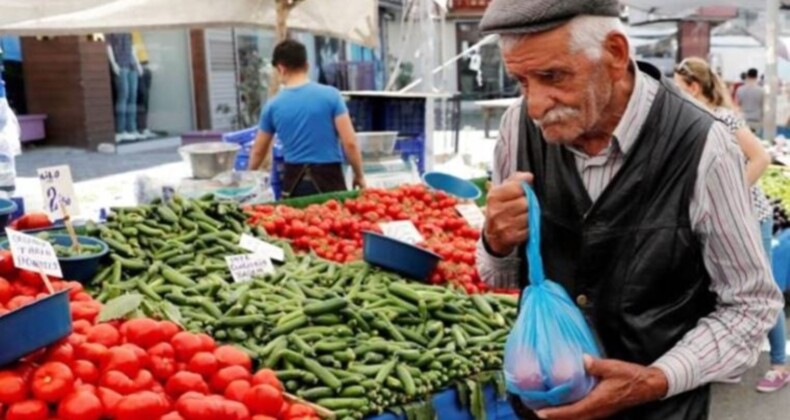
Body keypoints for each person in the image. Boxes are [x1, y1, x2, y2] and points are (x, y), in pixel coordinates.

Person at [476, 0, 784, 419]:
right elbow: (502, 275)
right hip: (546, 406)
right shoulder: (517, 129)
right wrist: (495, 241)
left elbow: (750, 304)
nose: (535, 105)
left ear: (616, 55)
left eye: (552, 76)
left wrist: (656, 379)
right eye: (521, 81)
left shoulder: (702, 146)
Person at [673, 57, 787, 393]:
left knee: (761, 287)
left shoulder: (722, 118)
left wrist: (730, 198)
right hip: (718, 221)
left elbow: (761, 158)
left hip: (752, 217)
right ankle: (731, 358)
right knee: (724, 287)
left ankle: (780, 363)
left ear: (694, 87)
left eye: (680, 89)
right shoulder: (692, 121)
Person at [248, 39, 365, 197]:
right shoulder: (331, 96)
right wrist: (359, 175)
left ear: (281, 69)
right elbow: (350, 143)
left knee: (298, 221)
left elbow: (258, 151)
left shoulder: (272, 106)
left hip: (294, 185)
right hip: (330, 181)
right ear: (307, 65)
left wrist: (246, 180)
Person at [736, 68, 765, 134]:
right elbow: (763, 106)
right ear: (757, 76)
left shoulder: (740, 89)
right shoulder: (761, 90)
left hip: (743, 119)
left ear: (747, 76)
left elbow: (737, 105)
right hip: (757, 120)